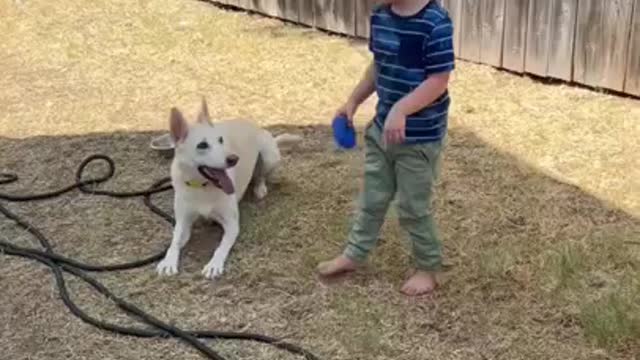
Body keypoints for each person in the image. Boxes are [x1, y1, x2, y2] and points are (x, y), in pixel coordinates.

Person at [316, 0, 455, 296]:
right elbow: (379, 66)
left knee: (412, 207)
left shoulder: (435, 23)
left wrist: (402, 109)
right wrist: (353, 101)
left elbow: (439, 80)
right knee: (372, 197)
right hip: (382, 132)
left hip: (418, 139)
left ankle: (428, 268)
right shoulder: (381, 16)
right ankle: (354, 254)